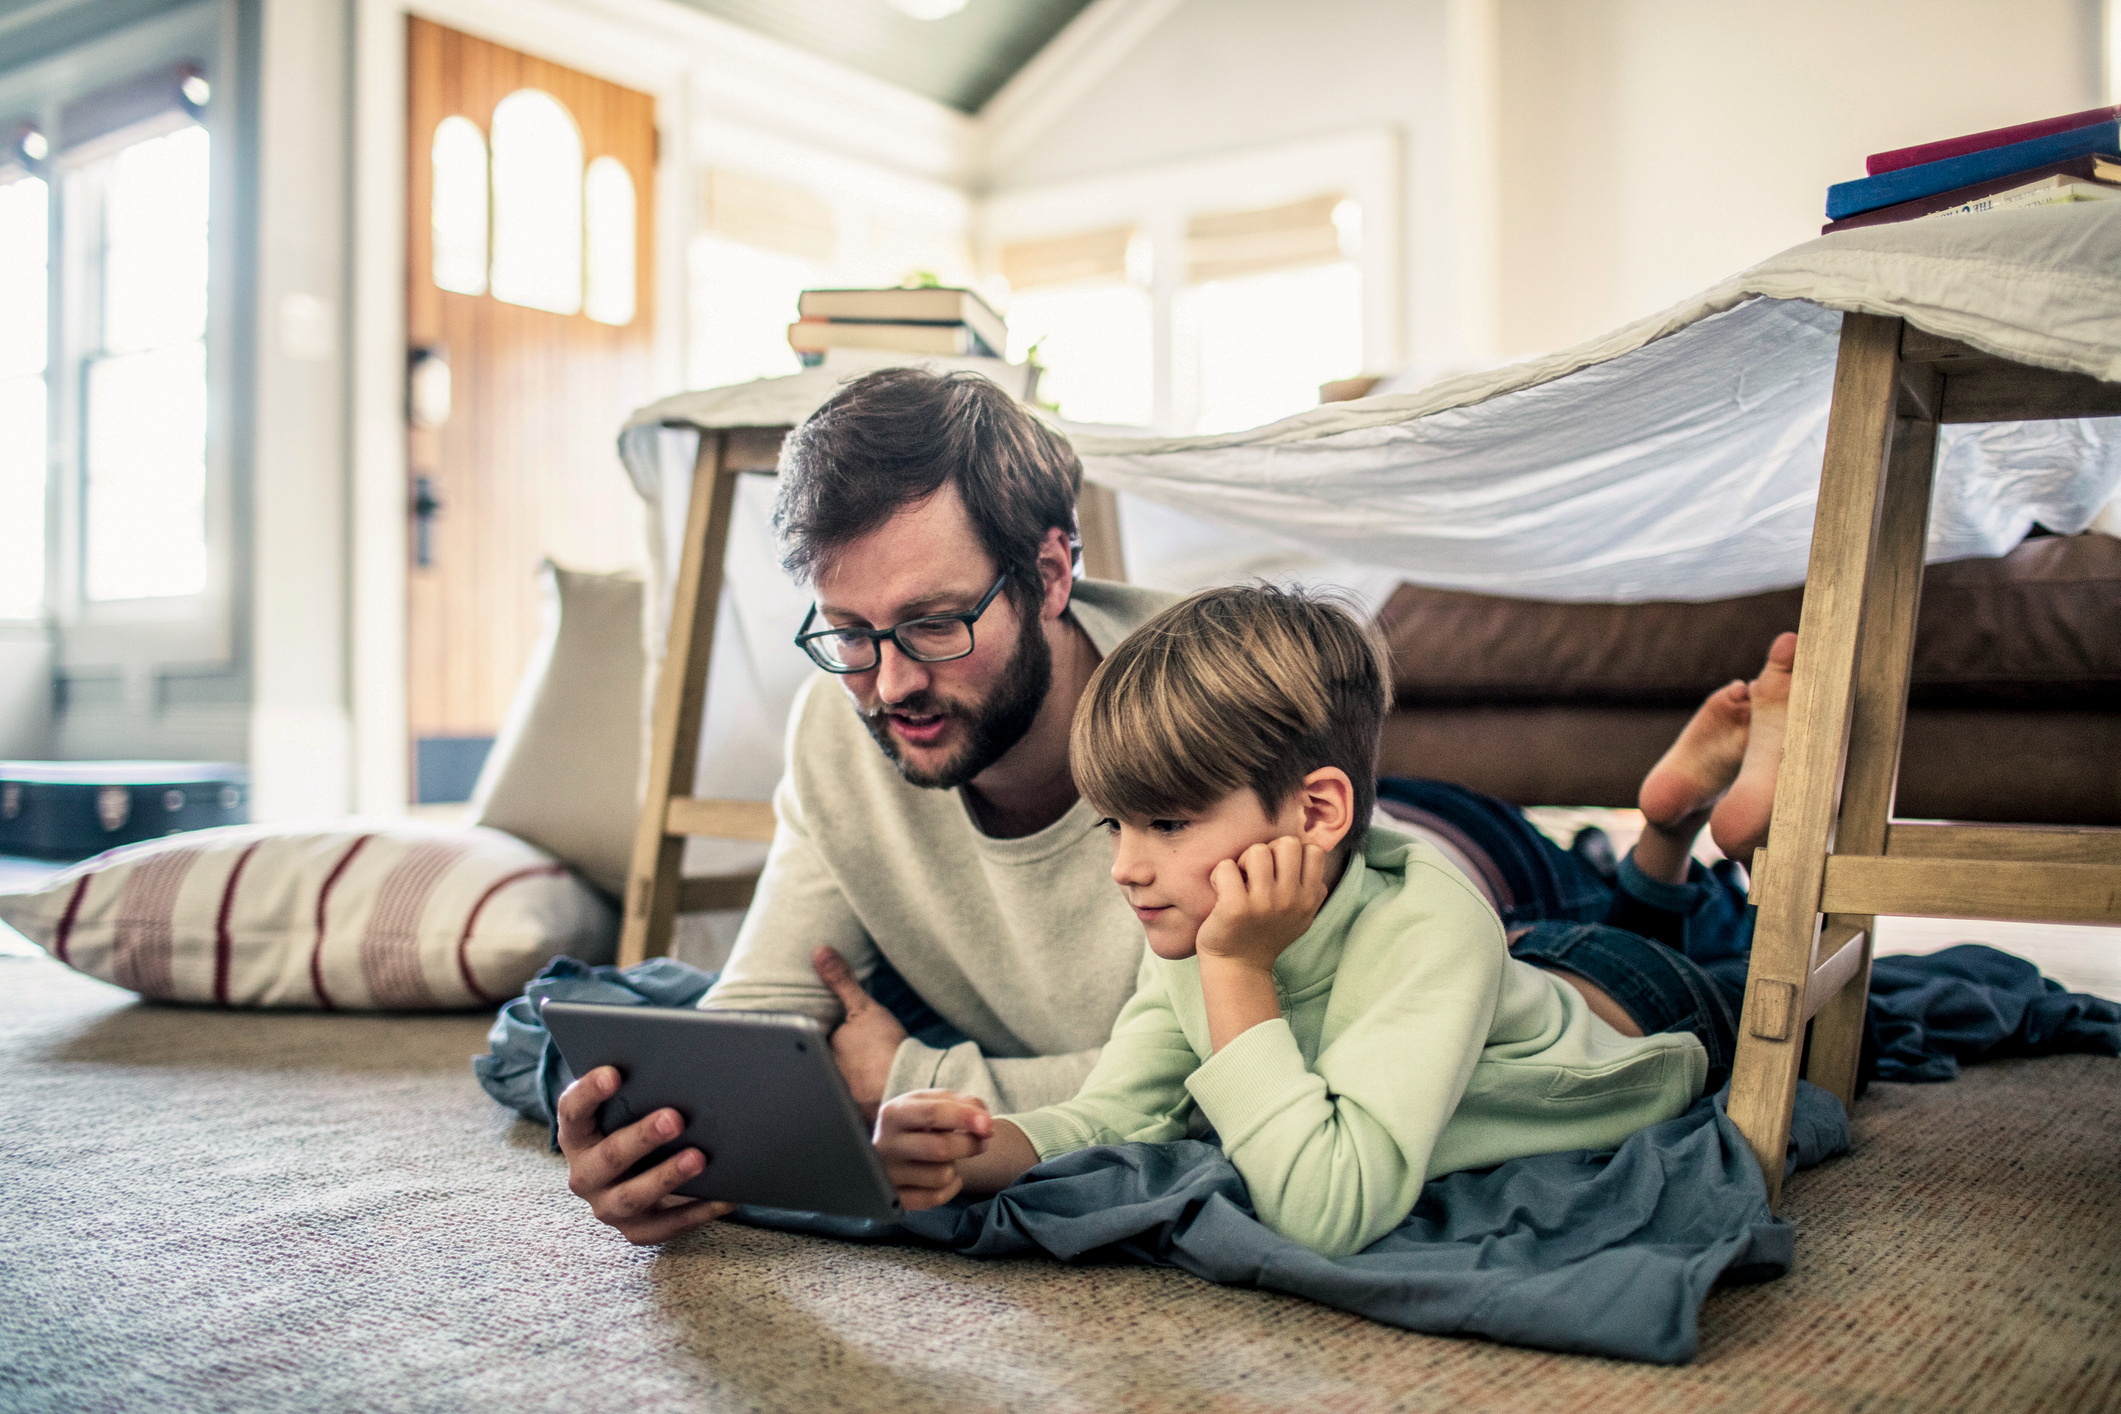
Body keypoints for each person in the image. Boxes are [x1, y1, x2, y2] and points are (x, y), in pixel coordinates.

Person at [556, 366, 1794, 1246]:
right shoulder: (847, 722)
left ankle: (1674, 845)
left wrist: (920, 1064)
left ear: (1051, 570)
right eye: (849, 633)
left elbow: (1234, 1101)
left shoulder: (1213, 706)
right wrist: (667, 1139)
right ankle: (1671, 841)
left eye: (933, 624)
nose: (888, 683)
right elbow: (779, 1020)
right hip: (1268, 960)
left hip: (1421, 869)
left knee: (1620, 955)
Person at [868, 585, 1709, 1257]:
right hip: (1506, 977)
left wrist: (1237, 972)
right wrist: (975, 1148)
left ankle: (1671, 837)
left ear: (1315, 812)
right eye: (1113, 826)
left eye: (1165, 824)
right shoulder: (1196, 926)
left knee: (1783, 995)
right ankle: (1666, 839)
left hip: (1632, 1003)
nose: (1125, 868)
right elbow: (1110, 1119)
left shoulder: (1416, 928)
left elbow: (1326, 1211)